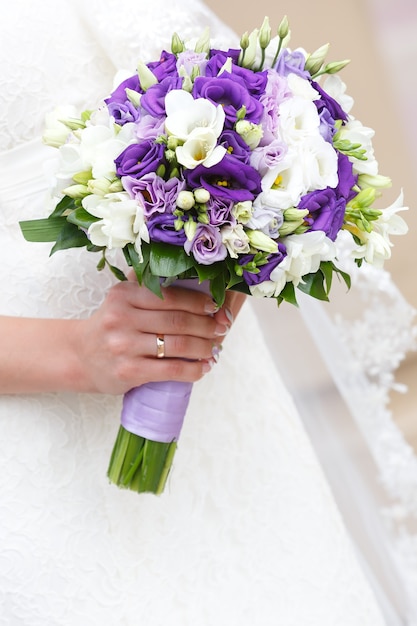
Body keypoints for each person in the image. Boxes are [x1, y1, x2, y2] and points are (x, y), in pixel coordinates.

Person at [0, 0, 413, 624]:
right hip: (32, 443)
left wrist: (240, 245)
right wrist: (74, 353)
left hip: (217, 411)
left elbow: (223, 86)